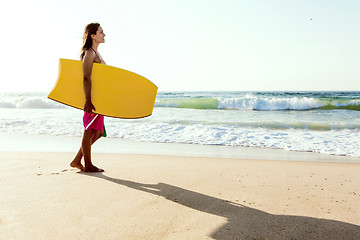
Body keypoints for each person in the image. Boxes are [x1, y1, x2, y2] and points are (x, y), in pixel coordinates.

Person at [70, 23, 106, 172]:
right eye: (101, 32)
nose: (104, 35)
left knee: (97, 132)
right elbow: (86, 77)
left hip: (100, 98)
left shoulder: (96, 53)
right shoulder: (89, 53)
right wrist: (88, 100)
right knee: (89, 130)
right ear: (93, 36)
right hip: (92, 99)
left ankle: (77, 160)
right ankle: (88, 164)